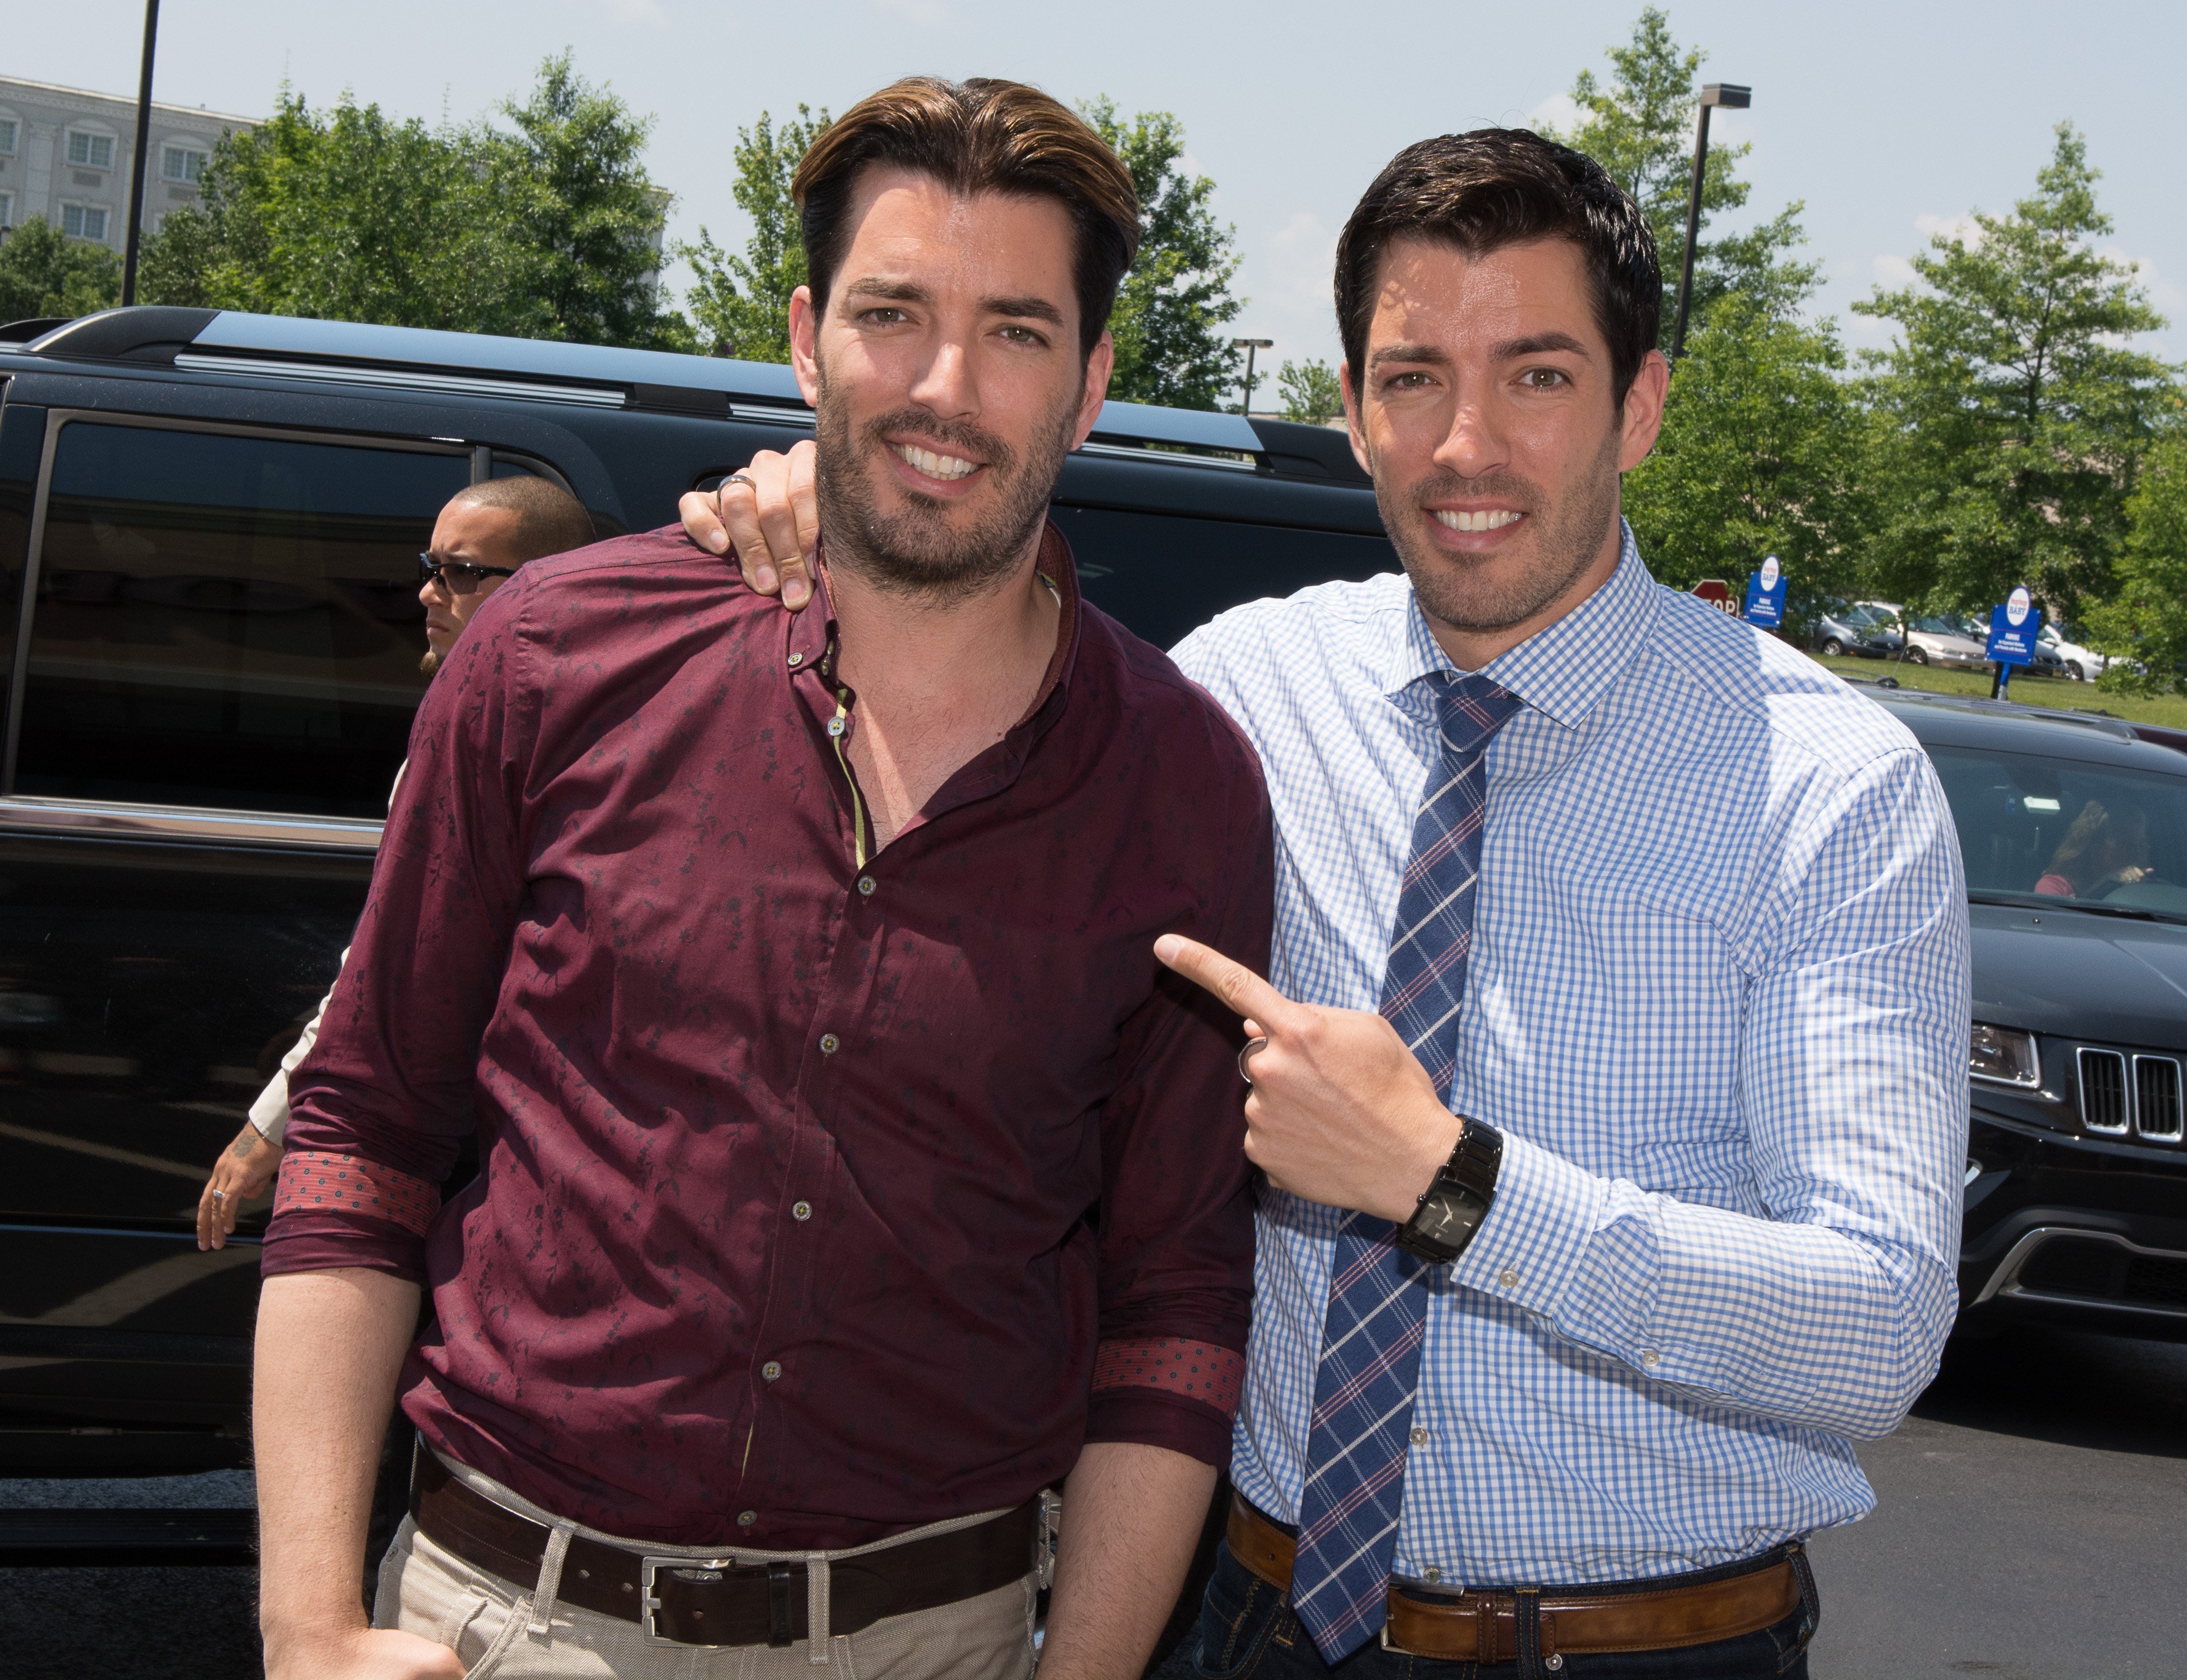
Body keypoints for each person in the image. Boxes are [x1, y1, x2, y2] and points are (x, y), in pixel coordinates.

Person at [687, 126, 1969, 1680]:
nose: (1466, 445)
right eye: (1412, 376)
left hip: (1639, 1646)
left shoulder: (1832, 786)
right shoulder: (1248, 691)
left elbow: (1879, 1323)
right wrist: (828, 495)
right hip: (1242, 1617)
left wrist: (1453, 1185)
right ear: (1354, 410)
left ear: (1641, 407)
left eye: (1539, 377)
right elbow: (981, 630)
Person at [253, 77, 1270, 1680]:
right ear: (805, 337)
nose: (945, 387)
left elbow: (1178, 1302)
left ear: (1091, 385)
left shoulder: (1183, 779)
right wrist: (308, 1623)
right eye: (893, 314)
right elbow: (368, 1128)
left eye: (1015, 330)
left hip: (936, 1641)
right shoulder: (551, 655)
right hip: (502, 1624)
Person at [196, 476, 596, 1252]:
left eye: (460, 571)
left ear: (545, 586)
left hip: (476, 1160)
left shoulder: (501, 739)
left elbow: (388, 966)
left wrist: (269, 1127)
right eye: (430, 564)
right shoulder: (524, 718)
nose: (427, 591)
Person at [2034, 799, 2151, 898]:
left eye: (2141, 845)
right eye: (2125, 845)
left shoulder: (2155, 893)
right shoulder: (2054, 887)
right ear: (2094, 846)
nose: (2136, 854)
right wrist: (2106, 886)